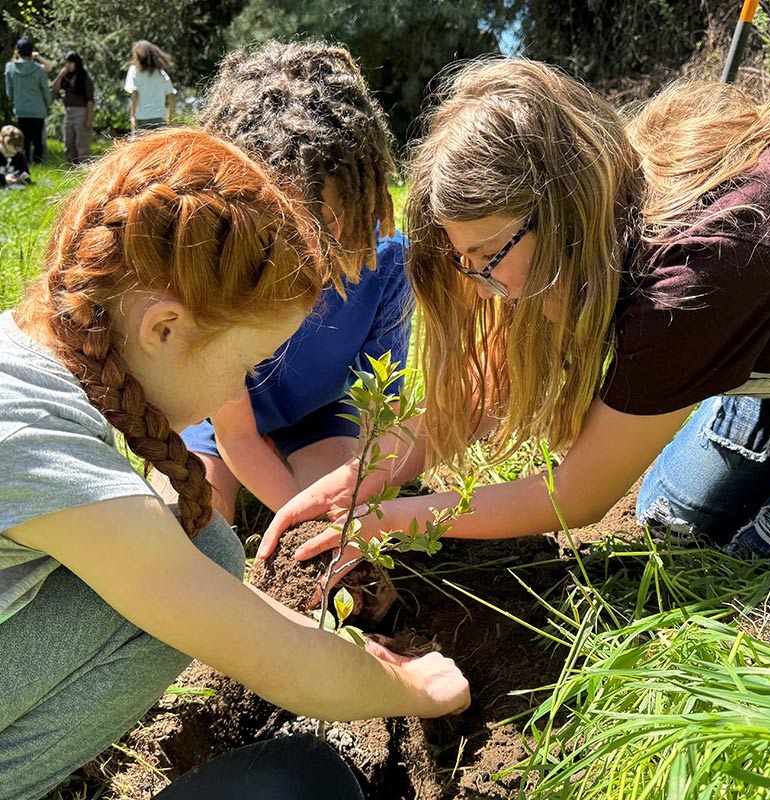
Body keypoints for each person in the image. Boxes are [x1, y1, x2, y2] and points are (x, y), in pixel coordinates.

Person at [0, 128, 469, 800]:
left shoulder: (29, 362)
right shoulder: (32, 441)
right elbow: (281, 663)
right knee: (303, 782)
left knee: (210, 551)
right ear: (163, 328)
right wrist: (415, 686)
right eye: (245, 367)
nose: (232, 396)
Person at [262, 57, 770, 566]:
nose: (480, 289)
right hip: (761, 341)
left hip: (737, 312)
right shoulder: (601, 214)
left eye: (484, 259)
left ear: (557, 210)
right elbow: (485, 391)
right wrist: (364, 475)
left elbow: (578, 497)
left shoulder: (685, 286)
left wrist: (391, 521)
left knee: (751, 557)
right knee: (667, 520)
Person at [171, 41, 412, 522]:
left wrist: (324, 522)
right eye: (288, 227)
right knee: (193, 524)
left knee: (342, 504)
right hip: (214, 415)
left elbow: (378, 417)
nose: (319, 246)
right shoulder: (213, 260)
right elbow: (235, 434)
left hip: (319, 415)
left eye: (330, 217)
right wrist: (295, 520)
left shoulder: (386, 262)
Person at [3, 38, 51, 163]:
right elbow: (45, 89)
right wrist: (47, 103)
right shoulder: (38, 69)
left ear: (17, 52)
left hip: (21, 108)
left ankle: (25, 163)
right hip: (38, 109)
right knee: (38, 141)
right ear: (31, 53)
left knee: (24, 139)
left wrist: (14, 100)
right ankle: (38, 163)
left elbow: (9, 91)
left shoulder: (10, 68)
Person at [123, 40, 176, 133]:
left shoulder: (134, 70)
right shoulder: (161, 73)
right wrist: (169, 119)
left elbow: (135, 94)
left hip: (141, 119)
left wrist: (132, 116)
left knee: (139, 147)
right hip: (159, 119)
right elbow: (171, 95)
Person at [51, 51, 94, 163]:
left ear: (76, 63)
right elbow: (55, 88)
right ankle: (71, 167)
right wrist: (60, 75)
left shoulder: (84, 78)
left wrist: (89, 119)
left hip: (81, 112)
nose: (67, 65)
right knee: (68, 142)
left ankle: (83, 167)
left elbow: (90, 100)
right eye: (66, 63)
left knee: (81, 143)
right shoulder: (66, 77)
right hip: (68, 113)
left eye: (70, 63)